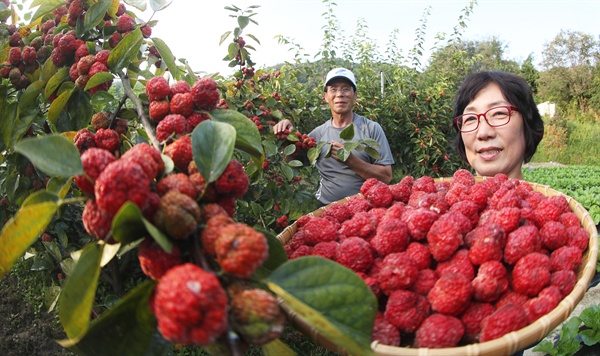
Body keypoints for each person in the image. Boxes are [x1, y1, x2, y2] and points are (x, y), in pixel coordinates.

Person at [273, 67, 395, 205]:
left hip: (364, 210)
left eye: (345, 89)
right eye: (333, 89)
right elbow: (292, 162)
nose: (340, 94)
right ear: (325, 97)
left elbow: (386, 177)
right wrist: (286, 139)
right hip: (327, 209)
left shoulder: (371, 129)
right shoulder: (317, 135)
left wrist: (351, 160)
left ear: (355, 95)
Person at [452, 70, 544, 180]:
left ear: (528, 124)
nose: (483, 133)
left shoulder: (555, 197)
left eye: (499, 113)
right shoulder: (435, 196)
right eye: (470, 118)